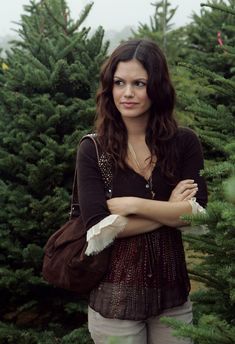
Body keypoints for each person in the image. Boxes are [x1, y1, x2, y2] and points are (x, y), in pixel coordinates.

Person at [77, 39, 207, 344]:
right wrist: (171, 210)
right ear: (109, 87)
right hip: (115, 300)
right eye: (119, 83)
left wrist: (133, 205)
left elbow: (199, 214)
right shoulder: (93, 149)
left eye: (139, 83)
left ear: (157, 87)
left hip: (173, 297)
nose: (128, 93)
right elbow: (99, 229)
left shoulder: (184, 143)